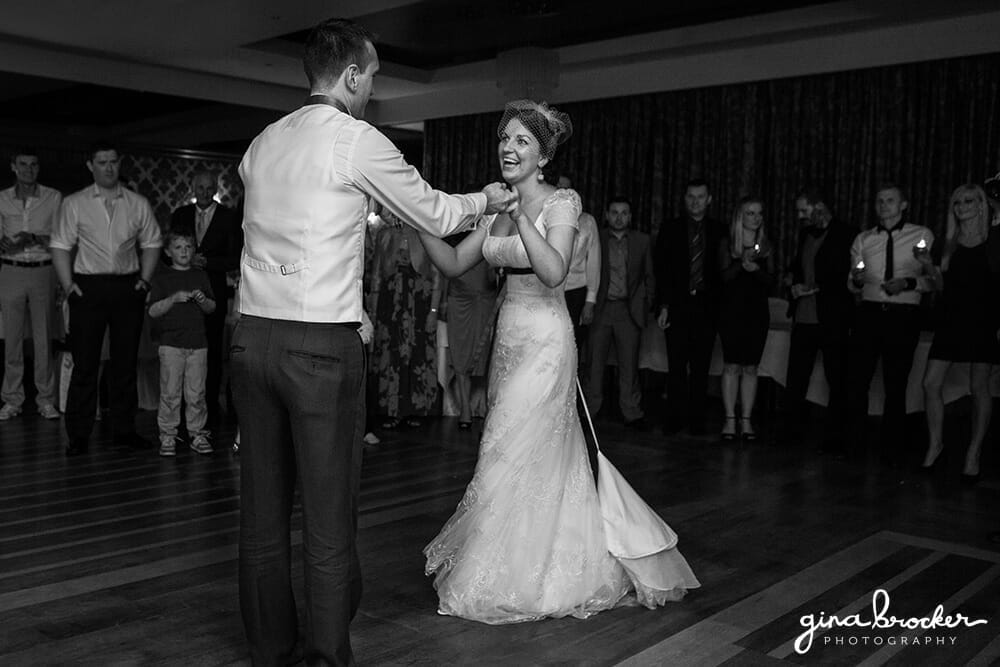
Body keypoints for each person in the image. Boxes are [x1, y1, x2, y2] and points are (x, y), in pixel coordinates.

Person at [232, 18, 513, 666]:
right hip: (319, 347)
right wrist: (485, 197)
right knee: (328, 520)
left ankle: (270, 650)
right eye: (373, 75)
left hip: (251, 339)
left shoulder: (261, 143)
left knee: (263, 517)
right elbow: (438, 213)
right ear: (352, 74)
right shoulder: (354, 140)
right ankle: (327, 657)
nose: (372, 88)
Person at [419, 99, 698, 625]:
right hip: (509, 339)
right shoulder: (497, 207)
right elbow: (456, 262)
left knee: (515, 444)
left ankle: (537, 573)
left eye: (522, 141)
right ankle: (511, 563)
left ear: (543, 156)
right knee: (507, 451)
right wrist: (420, 221)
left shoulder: (562, 203)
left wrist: (520, 213)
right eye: (505, 138)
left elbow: (553, 271)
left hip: (548, 342)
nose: (509, 147)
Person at [50, 141, 162, 456]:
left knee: (125, 363)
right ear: (91, 166)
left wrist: (144, 281)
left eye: (113, 161)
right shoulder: (75, 203)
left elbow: (153, 241)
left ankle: (124, 430)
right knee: (85, 363)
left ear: (118, 163)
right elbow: (59, 244)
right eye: (102, 162)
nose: (109, 167)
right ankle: (79, 434)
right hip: (88, 287)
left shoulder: (137, 203)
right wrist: (69, 284)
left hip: (128, 286)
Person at [846, 184, 938, 466]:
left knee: (895, 382)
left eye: (890, 200)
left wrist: (908, 282)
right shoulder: (864, 239)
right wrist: (857, 281)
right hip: (870, 313)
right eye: (879, 200)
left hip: (903, 315)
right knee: (858, 380)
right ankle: (855, 444)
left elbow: (933, 280)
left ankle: (892, 448)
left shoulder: (920, 235)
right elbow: (852, 280)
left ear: (903, 205)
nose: (884, 205)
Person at [921, 184, 1000, 480]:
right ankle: (935, 444)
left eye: (969, 201)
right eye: (957, 202)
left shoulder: (994, 242)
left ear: (981, 205)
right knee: (930, 383)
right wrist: (929, 266)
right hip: (950, 320)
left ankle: (973, 452)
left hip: (983, 320)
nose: (962, 206)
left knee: (979, 387)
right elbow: (940, 287)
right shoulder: (946, 244)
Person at [781, 188, 855, 450]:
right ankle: (791, 435)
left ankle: (836, 438)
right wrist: (793, 281)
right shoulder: (805, 235)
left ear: (819, 207)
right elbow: (796, 266)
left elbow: (845, 276)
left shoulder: (846, 234)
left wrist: (812, 287)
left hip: (832, 316)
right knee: (796, 377)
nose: (800, 216)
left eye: (804, 210)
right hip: (804, 315)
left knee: (837, 378)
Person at [168, 170, 242, 424]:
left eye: (208, 187)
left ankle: (209, 404)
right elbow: (169, 251)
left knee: (211, 348)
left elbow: (234, 257)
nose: (204, 192)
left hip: (214, 289)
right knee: (181, 346)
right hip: (182, 286)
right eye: (199, 187)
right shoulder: (180, 215)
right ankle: (178, 407)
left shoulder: (228, 217)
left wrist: (208, 262)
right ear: (193, 188)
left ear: (215, 189)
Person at [655, 180, 725, 435]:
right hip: (677, 306)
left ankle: (697, 420)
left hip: (707, 308)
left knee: (700, 368)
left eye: (700, 197)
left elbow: (723, 273)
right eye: (691, 197)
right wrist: (663, 306)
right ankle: (673, 419)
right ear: (685, 199)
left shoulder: (720, 231)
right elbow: (661, 270)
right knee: (676, 367)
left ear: (709, 199)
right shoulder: (670, 228)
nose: (695, 201)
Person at [0, 148, 62, 421]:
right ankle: (12, 399)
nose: (28, 169)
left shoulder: (53, 197)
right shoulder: (1, 198)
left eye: (33, 164)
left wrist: (34, 237)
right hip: (11, 270)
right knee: (11, 339)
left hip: (43, 270)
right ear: (13, 167)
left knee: (43, 339)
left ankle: (45, 400)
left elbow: (63, 240)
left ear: (39, 168)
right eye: (23, 164)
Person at [368, 210, 441, 429]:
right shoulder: (384, 234)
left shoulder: (428, 234)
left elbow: (438, 276)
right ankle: (391, 411)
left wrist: (434, 312)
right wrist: (372, 312)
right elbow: (376, 275)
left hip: (419, 302)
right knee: (390, 354)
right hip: (390, 305)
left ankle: (416, 410)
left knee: (417, 353)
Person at [586, 196, 654, 427]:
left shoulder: (642, 241)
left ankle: (632, 412)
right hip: (601, 308)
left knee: (629, 366)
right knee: (594, 363)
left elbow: (649, 275)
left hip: (629, 309)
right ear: (606, 215)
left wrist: (647, 304)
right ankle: (589, 411)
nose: (619, 217)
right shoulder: (597, 237)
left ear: (631, 216)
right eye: (614, 212)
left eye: (624, 212)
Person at [147, 230, 216, 456]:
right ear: (168, 252)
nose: (184, 251)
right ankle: (168, 435)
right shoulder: (162, 278)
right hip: (171, 345)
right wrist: (173, 299)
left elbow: (211, 308)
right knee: (170, 392)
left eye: (188, 247)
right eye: (178, 247)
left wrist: (203, 300)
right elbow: (153, 311)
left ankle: (197, 434)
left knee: (196, 393)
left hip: (198, 344)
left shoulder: (200, 276)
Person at [717, 197, 775, 441]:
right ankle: (730, 419)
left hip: (757, 313)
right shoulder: (728, 243)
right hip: (732, 312)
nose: (756, 218)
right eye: (750, 213)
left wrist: (757, 270)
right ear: (741, 216)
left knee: (751, 367)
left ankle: (747, 420)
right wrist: (742, 263)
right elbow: (722, 278)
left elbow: (772, 281)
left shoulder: (767, 245)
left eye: (759, 213)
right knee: (731, 365)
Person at [441, 228, 497, 429]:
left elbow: (494, 273)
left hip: (484, 299)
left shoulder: (490, 230)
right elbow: (444, 268)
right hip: (459, 299)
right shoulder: (452, 234)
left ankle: (486, 408)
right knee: (460, 353)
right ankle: (465, 409)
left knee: (485, 356)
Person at [556, 174, 600, 360]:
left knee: (571, 347)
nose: (562, 193)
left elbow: (594, 262)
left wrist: (590, 299)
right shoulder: (540, 217)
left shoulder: (587, 221)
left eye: (567, 189)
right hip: (546, 289)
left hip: (575, 292)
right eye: (558, 188)